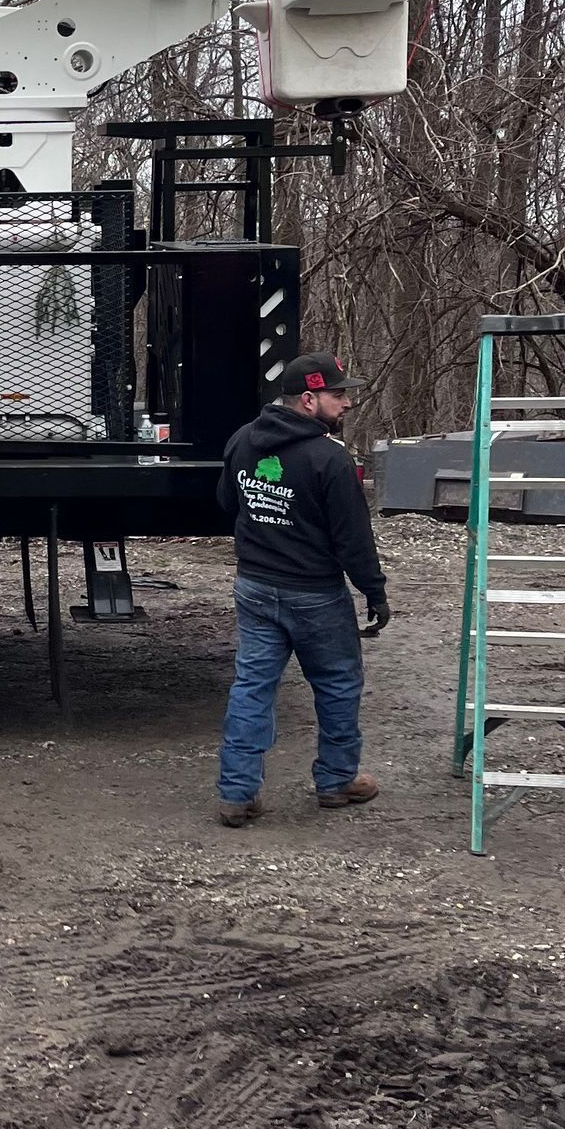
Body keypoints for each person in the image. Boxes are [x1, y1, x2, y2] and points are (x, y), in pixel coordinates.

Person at [213, 349, 389, 826]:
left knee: (253, 686)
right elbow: (353, 538)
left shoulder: (243, 440)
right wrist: (374, 590)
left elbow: (229, 501)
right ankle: (336, 781)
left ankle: (236, 793)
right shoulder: (329, 458)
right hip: (315, 594)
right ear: (309, 400)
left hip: (254, 586)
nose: (347, 403)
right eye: (338, 394)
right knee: (336, 683)